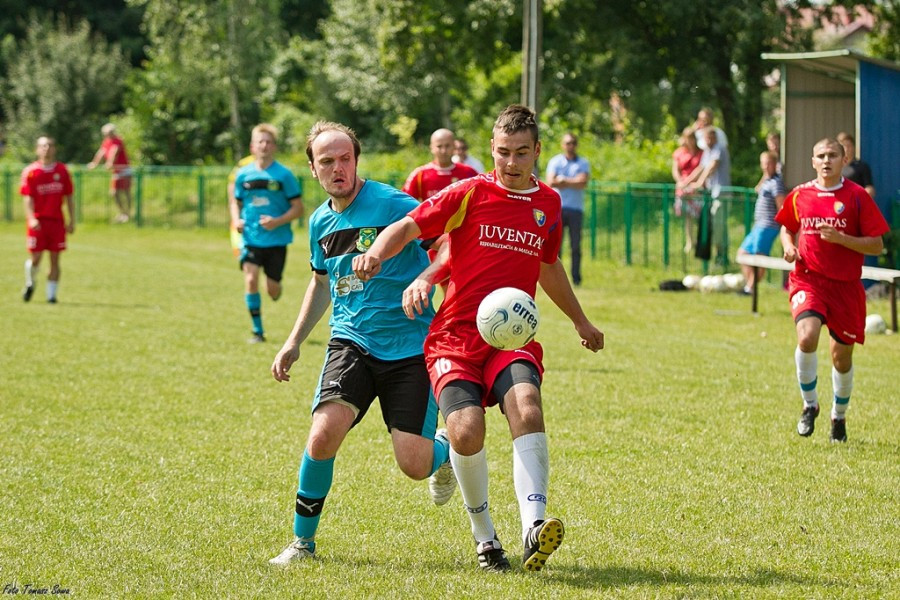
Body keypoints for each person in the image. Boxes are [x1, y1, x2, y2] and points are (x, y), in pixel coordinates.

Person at [352, 105, 604, 572]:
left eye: (522, 153)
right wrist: (376, 253)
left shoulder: (547, 204)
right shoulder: (468, 192)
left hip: (512, 337)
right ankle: (487, 540)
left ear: (537, 152)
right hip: (455, 338)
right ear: (492, 149)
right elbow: (411, 226)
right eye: (504, 152)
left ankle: (533, 527)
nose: (512, 163)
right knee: (467, 433)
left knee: (527, 406)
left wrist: (580, 320)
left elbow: (549, 266)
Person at [268, 121, 454, 565]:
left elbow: (448, 245)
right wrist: (294, 341)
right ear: (313, 170)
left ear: (356, 160)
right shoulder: (319, 223)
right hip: (350, 342)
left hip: (410, 346)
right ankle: (302, 543)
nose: (338, 168)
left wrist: (427, 279)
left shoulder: (392, 203)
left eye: (345, 158)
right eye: (327, 161)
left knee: (413, 463)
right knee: (322, 434)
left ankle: (445, 449)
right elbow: (321, 284)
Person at [775, 138, 889, 443]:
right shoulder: (801, 194)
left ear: (844, 159)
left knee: (841, 358)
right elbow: (787, 227)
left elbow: (877, 243)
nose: (826, 160)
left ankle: (838, 417)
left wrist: (842, 239)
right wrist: (788, 247)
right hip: (808, 280)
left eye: (833, 155)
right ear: (813, 161)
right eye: (821, 156)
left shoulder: (857, 197)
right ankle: (809, 405)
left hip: (845, 287)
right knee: (807, 336)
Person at [232, 123, 304, 343]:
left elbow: (299, 208)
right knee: (251, 279)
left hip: (277, 240)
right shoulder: (243, 175)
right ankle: (257, 332)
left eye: (268, 142)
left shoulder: (284, 175)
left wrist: (278, 221)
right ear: (253, 146)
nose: (264, 145)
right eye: (260, 141)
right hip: (251, 238)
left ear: (274, 146)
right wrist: (237, 219)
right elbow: (236, 202)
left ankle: (274, 286)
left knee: (272, 289)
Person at [21, 136, 74, 304]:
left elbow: (69, 196)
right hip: (38, 222)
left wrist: (72, 220)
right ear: (37, 149)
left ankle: (51, 296)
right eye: (43, 146)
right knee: (36, 258)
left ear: (54, 149)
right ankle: (30, 282)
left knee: (55, 259)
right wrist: (31, 218)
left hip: (56, 222)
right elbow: (27, 197)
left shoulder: (62, 170)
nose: (46, 149)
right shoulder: (31, 172)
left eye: (50, 145)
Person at [736, 151, 786, 294]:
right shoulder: (767, 181)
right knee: (743, 253)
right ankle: (750, 285)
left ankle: (750, 288)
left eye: (768, 163)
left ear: (775, 165)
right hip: (759, 225)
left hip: (768, 225)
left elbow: (781, 206)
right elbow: (757, 189)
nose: (765, 166)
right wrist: (765, 174)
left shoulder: (776, 183)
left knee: (759, 257)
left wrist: (784, 226)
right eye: (763, 163)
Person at [545, 133, 591, 285]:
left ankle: (576, 278)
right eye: (567, 143)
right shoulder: (555, 161)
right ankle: (555, 279)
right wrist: (573, 181)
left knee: (575, 245)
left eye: (572, 143)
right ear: (562, 144)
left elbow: (583, 182)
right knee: (556, 247)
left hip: (575, 209)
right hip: (557, 209)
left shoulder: (583, 163)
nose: (570, 146)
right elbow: (551, 182)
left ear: (576, 145)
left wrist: (564, 180)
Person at [688, 126, 731, 262]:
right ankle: (719, 255)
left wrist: (700, 182)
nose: (706, 141)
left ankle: (722, 256)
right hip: (712, 194)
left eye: (708, 138)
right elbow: (701, 168)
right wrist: (686, 182)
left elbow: (712, 166)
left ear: (713, 138)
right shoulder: (708, 151)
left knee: (719, 226)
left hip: (721, 193)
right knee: (713, 225)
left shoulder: (719, 148)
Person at [402, 128, 478, 201]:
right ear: (431, 148)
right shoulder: (420, 175)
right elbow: (404, 203)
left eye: (447, 146)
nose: (443, 151)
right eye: (439, 146)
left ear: (454, 146)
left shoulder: (469, 173)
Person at [87, 123, 133, 223]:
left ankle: (128, 214)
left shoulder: (118, 140)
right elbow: (101, 152)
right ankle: (123, 213)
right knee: (114, 193)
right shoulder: (106, 141)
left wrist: (109, 163)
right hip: (116, 172)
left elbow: (114, 151)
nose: (107, 135)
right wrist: (94, 163)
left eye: (109, 133)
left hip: (124, 170)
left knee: (126, 192)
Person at [671, 127, 704, 253]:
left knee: (699, 216)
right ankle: (690, 241)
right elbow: (675, 169)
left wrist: (689, 181)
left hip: (696, 187)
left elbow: (701, 168)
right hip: (683, 188)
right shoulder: (680, 152)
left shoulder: (701, 153)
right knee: (688, 216)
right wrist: (680, 181)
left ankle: (700, 241)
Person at [227, 154, 254, 256]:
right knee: (237, 223)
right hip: (243, 202)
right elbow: (232, 181)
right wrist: (232, 200)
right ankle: (238, 248)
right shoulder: (244, 163)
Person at [836, 132, 875, 199]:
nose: (847, 149)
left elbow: (869, 188)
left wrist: (860, 198)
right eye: (844, 146)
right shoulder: (834, 166)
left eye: (849, 146)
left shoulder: (862, 166)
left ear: (853, 147)